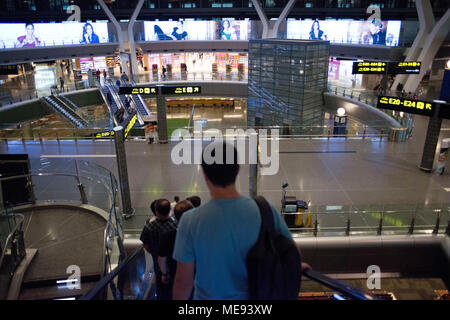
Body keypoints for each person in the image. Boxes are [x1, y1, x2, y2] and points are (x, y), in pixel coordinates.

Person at [172, 142, 310, 300]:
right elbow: (291, 252)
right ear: (237, 168)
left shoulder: (190, 221)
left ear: (204, 174)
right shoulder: (264, 209)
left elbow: (183, 281)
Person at [140, 199, 178, 300]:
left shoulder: (149, 226)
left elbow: (145, 243)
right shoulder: (176, 225)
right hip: (174, 259)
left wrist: (153, 252)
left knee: (160, 280)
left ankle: (161, 295)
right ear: (169, 210)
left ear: (156, 211)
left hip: (157, 259)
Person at [158, 200, 194, 300]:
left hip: (177, 275)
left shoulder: (167, 237)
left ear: (175, 216)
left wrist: (164, 274)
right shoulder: (204, 233)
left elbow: (162, 260)